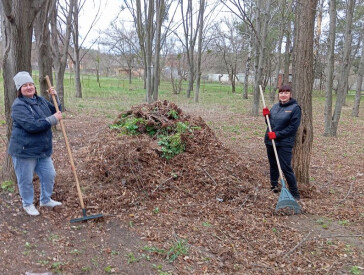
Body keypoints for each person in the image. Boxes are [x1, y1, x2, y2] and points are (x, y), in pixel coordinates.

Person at [8, 71, 63, 216]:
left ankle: (45, 200)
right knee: (25, 180)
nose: (29, 87)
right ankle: (28, 203)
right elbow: (32, 126)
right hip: (24, 150)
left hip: (42, 149)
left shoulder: (40, 100)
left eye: (30, 84)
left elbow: (56, 110)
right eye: (25, 85)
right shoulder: (18, 106)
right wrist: (53, 119)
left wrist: (55, 97)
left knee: (49, 174)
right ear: (20, 89)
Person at [262, 84, 301, 200]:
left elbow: (293, 128)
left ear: (290, 95)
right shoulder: (275, 107)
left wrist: (277, 135)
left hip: (284, 142)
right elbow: (270, 124)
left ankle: (295, 193)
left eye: (286, 93)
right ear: (278, 95)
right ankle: (274, 186)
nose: (283, 95)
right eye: (281, 93)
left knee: (285, 167)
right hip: (270, 141)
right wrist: (266, 116)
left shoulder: (295, 108)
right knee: (273, 165)